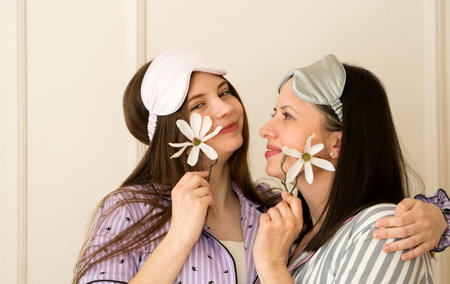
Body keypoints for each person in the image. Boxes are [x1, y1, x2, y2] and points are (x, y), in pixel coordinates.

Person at [73, 49, 448, 284]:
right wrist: (179, 236)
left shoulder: (275, 212)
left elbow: (353, 221)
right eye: (198, 106)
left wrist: (437, 216)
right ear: (174, 128)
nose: (226, 108)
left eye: (224, 92)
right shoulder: (131, 209)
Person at [252, 54, 448, 283]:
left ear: (337, 143)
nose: (265, 130)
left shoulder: (384, 231)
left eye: (287, 115)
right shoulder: (291, 235)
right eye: (273, 114)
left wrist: (271, 265)